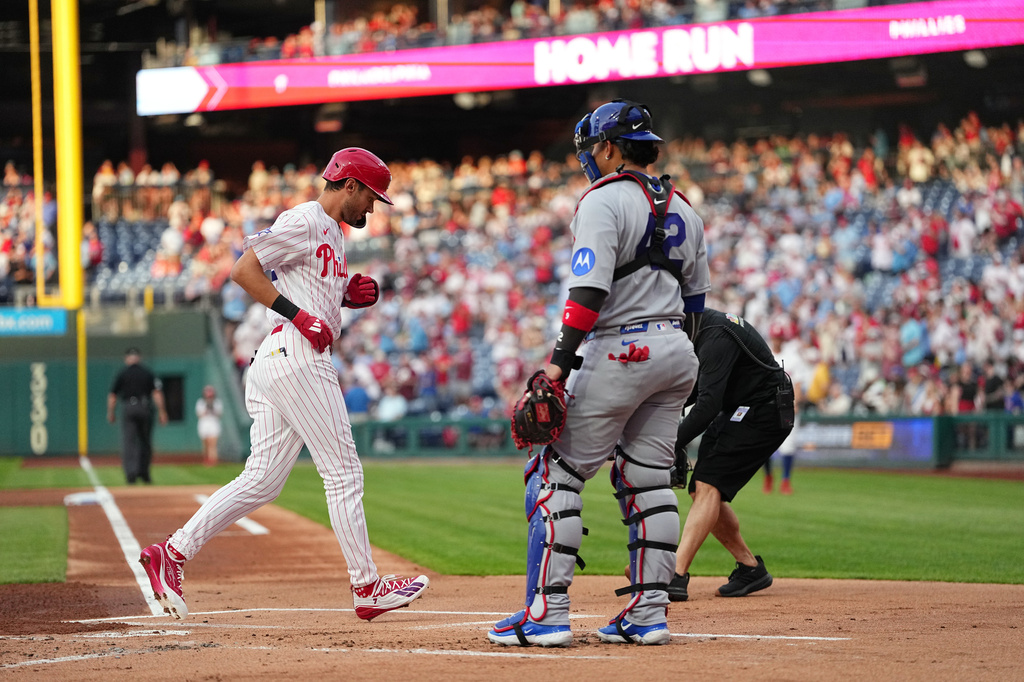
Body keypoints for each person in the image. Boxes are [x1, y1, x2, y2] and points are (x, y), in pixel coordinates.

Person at [139, 148, 429, 621]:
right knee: (343, 472)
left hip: (280, 358)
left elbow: (308, 288)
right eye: (371, 197)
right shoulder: (307, 219)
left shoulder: (332, 232)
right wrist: (301, 315)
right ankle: (367, 587)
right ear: (350, 185)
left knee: (261, 481)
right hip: (297, 354)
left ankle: (169, 555)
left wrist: (343, 294)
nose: (373, 208)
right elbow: (243, 270)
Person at [488, 100, 710, 647]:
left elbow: (589, 291)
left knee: (552, 474)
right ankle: (647, 615)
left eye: (592, 147)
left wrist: (558, 367)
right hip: (677, 351)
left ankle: (547, 613)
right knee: (649, 483)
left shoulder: (602, 201)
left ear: (610, 148)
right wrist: (683, 369)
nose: (588, 157)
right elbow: (697, 307)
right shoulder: (686, 208)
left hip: (620, 349)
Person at [666, 309, 795, 603]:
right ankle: (751, 568)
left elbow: (707, 404)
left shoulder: (715, 336)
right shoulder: (700, 331)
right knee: (702, 488)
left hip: (766, 408)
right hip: (740, 408)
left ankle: (676, 573)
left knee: (709, 483)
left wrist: (670, 443)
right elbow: (693, 393)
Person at [107, 348, 168, 484]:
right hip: (144, 407)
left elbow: (113, 395)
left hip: (129, 407)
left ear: (127, 358)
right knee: (145, 441)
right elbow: (157, 393)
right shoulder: (147, 372)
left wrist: (111, 412)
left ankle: (131, 474)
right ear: (139, 358)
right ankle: (144, 473)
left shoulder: (123, 373)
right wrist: (163, 412)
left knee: (129, 442)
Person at [195, 385, 223, 466]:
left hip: (214, 423)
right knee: (206, 443)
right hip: (204, 424)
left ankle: (213, 460)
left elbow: (219, 414)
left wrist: (212, 409)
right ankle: (206, 459)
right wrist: (207, 409)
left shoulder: (217, 402)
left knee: (213, 443)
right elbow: (199, 414)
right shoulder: (201, 403)